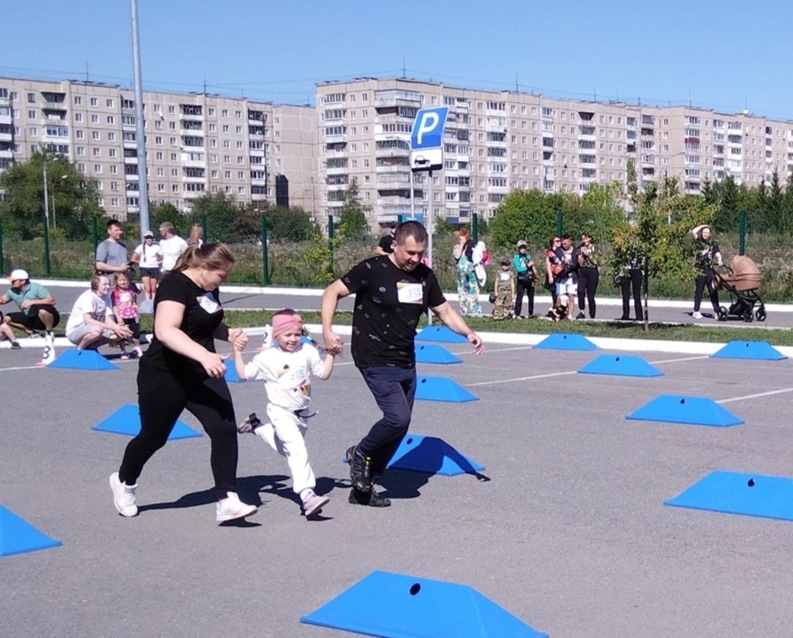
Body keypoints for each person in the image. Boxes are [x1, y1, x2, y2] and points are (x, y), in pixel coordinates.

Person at [321, 221, 484, 508]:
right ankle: (360, 453)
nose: (415, 259)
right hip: (372, 354)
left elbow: (444, 311)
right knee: (397, 418)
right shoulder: (372, 269)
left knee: (400, 427)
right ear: (395, 245)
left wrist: (468, 333)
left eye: (421, 253)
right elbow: (331, 292)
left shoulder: (424, 276)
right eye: (410, 253)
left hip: (405, 357)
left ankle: (363, 489)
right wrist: (327, 330)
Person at [109, 243, 257, 523]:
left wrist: (229, 333)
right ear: (204, 267)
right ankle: (124, 481)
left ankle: (227, 499)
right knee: (153, 437)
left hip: (201, 373)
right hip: (165, 374)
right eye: (222, 275)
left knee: (224, 428)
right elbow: (166, 331)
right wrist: (204, 354)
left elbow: (204, 321)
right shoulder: (174, 286)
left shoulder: (208, 287)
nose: (224, 280)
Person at [234, 309, 335, 518]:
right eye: (287, 335)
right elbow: (244, 374)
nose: (293, 339)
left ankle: (256, 427)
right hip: (280, 412)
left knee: (286, 449)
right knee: (297, 449)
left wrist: (332, 354)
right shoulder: (267, 357)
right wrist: (237, 351)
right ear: (276, 335)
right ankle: (307, 495)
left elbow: (323, 374)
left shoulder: (307, 351)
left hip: (302, 413)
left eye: (297, 334)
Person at [65, 274, 133, 351]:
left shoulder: (106, 297)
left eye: (109, 284)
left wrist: (117, 327)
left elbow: (107, 318)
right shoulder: (88, 296)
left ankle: (91, 348)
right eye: (105, 284)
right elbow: (88, 320)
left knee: (122, 333)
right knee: (97, 330)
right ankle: (80, 349)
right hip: (76, 331)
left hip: (95, 329)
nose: (108, 287)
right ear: (96, 285)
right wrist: (113, 327)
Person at [1, 269, 60, 338]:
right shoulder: (12, 291)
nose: (11, 282)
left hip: (50, 318)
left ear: (23, 281)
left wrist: (31, 302)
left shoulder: (36, 287)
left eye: (14, 281)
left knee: (43, 311)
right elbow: (2, 300)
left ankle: (49, 332)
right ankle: (32, 333)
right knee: (7, 318)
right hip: (30, 318)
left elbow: (51, 301)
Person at [691, 224, 723, 320]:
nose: (705, 234)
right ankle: (696, 311)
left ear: (710, 234)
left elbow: (717, 254)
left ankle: (717, 311)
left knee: (713, 290)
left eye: (707, 232)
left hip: (709, 270)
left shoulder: (713, 244)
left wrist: (719, 260)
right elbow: (693, 232)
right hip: (700, 270)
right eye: (704, 232)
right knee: (699, 291)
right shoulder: (699, 242)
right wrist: (703, 226)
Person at [112, 271, 143, 359]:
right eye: (120, 280)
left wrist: (136, 308)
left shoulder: (130, 291)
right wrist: (118, 317)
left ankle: (137, 347)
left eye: (124, 280)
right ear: (116, 282)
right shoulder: (115, 293)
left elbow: (133, 302)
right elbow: (114, 306)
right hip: (121, 316)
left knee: (136, 332)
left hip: (131, 315)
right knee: (121, 334)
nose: (123, 282)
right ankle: (123, 351)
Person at [452, 228, 482, 316]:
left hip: (471, 271)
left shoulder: (472, 246)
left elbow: (477, 257)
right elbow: (457, 256)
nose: (461, 240)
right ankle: (463, 311)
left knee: (474, 290)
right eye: (460, 238)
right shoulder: (457, 247)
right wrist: (461, 245)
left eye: (463, 238)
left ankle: (474, 311)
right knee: (462, 291)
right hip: (461, 273)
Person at [95, 219, 130, 287]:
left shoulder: (123, 245)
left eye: (120, 230)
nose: (119, 232)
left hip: (124, 283)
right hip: (111, 283)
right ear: (109, 231)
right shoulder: (104, 245)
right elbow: (99, 265)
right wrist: (119, 269)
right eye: (116, 230)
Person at [554, 234, 579, 320]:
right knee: (560, 297)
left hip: (572, 277)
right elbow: (555, 261)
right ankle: (559, 314)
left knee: (571, 296)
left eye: (565, 244)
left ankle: (569, 315)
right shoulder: (558, 250)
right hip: (562, 276)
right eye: (562, 243)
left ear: (570, 242)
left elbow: (576, 265)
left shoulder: (575, 251)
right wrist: (563, 262)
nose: (563, 245)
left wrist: (570, 263)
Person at [132, 230, 162, 301]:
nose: (149, 239)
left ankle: (153, 303)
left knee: (153, 289)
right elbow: (133, 259)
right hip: (144, 268)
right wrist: (141, 263)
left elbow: (162, 257)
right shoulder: (140, 247)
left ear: (152, 238)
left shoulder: (157, 247)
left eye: (150, 237)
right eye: (147, 237)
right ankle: (148, 303)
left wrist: (159, 262)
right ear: (145, 239)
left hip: (154, 268)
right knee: (147, 289)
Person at [576, 232, 600, 319]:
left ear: (590, 239)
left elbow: (596, 262)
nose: (584, 241)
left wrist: (589, 254)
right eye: (583, 239)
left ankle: (592, 314)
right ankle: (581, 311)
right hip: (583, 271)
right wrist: (582, 255)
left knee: (590, 295)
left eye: (586, 238)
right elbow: (580, 263)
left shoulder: (595, 248)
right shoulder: (580, 248)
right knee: (580, 290)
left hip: (592, 271)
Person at [618, 251, 644, 321]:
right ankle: (625, 315)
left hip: (637, 269)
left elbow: (643, 255)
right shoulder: (623, 245)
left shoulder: (638, 247)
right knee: (625, 294)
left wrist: (642, 267)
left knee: (637, 294)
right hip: (625, 269)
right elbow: (619, 255)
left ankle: (639, 316)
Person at [512, 240, 535, 318]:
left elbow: (532, 267)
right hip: (521, 278)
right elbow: (519, 269)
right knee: (520, 295)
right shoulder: (516, 257)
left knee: (531, 295)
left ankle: (531, 312)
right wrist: (527, 266)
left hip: (529, 278)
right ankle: (517, 313)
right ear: (518, 248)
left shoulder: (528, 256)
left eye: (524, 247)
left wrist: (534, 276)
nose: (523, 249)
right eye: (521, 247)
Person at [543, 236, 561, 310]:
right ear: (553, 243)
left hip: (561, 274)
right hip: (553, 274)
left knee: (561, 293)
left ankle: (561, 309)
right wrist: (550, 276)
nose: (559, 242)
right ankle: (555, 308)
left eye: (559, 240)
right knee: (554, 292)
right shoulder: (549, 252)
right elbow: (548, 264)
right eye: (557, 241)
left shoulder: (561, 251)